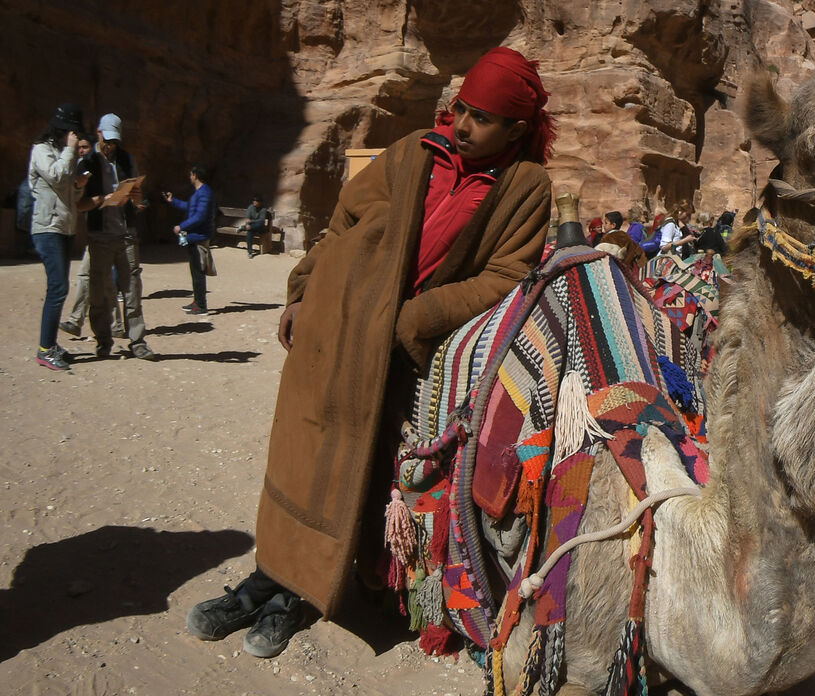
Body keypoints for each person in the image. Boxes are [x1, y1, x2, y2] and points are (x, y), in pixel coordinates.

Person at [185, 46, 555, 659]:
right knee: (299, 452)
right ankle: (262, 577)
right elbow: (342, 220)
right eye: (461, 108)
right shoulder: (414, 150)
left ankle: (298, 594)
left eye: (481, 118)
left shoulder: (525, 188)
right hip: (338, 325)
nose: (462, 125)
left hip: (397, 351)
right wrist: (303, 291)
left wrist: (417, 317)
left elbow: (505, 273)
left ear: (515, 129)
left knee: (350, 468)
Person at [78, 114, 155, 360]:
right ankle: (103, 340)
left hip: (126, 233)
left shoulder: (125, 159)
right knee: (98, 290)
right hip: (100, 234)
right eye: (107, 140)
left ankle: (137, 340)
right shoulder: (88, 160)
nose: (110, 145)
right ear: (98, 133)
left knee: (132, 289)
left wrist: (135, 198)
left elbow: (136, 192)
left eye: (114, 141)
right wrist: (101, 200)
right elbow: (78, 202)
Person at [29, 103, 89, 371]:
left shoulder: (64, 155)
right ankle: (45, 349)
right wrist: (69, 151)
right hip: (47, 228)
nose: (75, 138)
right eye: (72, 133)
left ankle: (50, 343)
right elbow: (54, 175)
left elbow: (68, 195)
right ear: (63, 130)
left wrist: (78, 186)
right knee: (58, 288)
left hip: (64, 227)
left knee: (59, 288)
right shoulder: (41, 151)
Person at [61, 135, 125, 340]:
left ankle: (75, 320)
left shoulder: (101, 169)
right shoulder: (83, 171)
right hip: (95, 231)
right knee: (105, 280)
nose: (81, 151)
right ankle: (115, 325)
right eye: (79, 148)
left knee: (85, 275)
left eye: (85, 147)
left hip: (106, 231)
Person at [164, 164, 215, 315]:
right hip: (193, 237)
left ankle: (201, 305)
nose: (189, 177)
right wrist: (173, 201)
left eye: (191, 174)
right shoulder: (199, 192)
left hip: (199, 237)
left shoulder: (204, 193)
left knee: (198, 271)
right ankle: (197, 302)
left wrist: (181, 226)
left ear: (195, 175)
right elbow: (190, 208)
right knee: (194, 271)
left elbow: (200, 216)